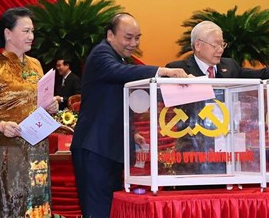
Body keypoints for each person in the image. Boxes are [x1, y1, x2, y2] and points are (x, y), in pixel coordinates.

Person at [70, 13, 189, 218]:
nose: (133, 43)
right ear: (110, 35)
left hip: (110, 149)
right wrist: (163, 72)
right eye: (128, 37)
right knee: (97, 211)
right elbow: (118, 72)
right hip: (94, 148)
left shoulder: (120, 59)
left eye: (137, 37)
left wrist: (132, 132)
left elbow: (117, 100)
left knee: (110, 209)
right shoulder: (101, 54)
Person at [0, 7, 59, 218]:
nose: (31, 36)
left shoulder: (36, 64)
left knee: (37, 197)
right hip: (8, 146)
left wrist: (49, 106)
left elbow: (37, 101)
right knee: (11, 199)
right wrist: (0, 125)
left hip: (37, 143)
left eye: (32, 31)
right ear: (8, 33)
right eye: (26, 31)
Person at [166, 21, 269, 79]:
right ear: (198, 45)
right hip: (191, 136)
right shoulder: (177, 70)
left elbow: (259, 75)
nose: (220, 50)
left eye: (222, 44)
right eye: (215, 45)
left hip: (227, 136)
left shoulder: (230, 66)